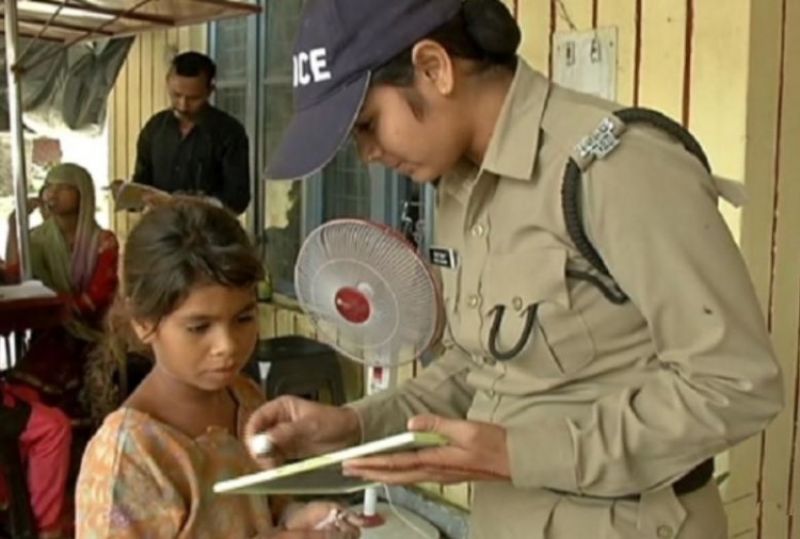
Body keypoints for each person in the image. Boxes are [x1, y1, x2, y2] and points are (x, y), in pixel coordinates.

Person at [245, 1, 784, 538]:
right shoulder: (460, 185)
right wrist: (358, 424)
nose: (367, 154)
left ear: (434, 67)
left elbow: (735, 384)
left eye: (367, 124)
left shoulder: (614, 168)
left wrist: (524, 453)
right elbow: (484, 364)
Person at [75, 200, 360, 539]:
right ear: (143, 322)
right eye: (199, 327)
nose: (227, 345)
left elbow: (266, 507)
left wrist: (297, 516)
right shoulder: (129, 458)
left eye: (244, 318)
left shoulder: (245, 400)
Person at [0, 162, 119, 537]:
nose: (51, 193)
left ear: (82, 193)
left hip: (88, 332)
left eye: (62, 186)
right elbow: (16, 276)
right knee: (35, 384)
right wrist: (15, 227)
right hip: (50, 331)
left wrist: (60, 307)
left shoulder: (103, 242)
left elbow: (98, 296)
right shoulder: (36, 239)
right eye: (48, 185)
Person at [129, 51, 251, 215]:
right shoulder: (155, 128)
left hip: (207, 228)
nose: (183, 105)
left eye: (193, 98)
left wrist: (187, 204)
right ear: (168, 83)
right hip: (161, 226)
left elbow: (237, 199)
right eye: (176, 95)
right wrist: (129, 196)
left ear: (210, 91)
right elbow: (142, 181)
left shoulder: (229, 132)